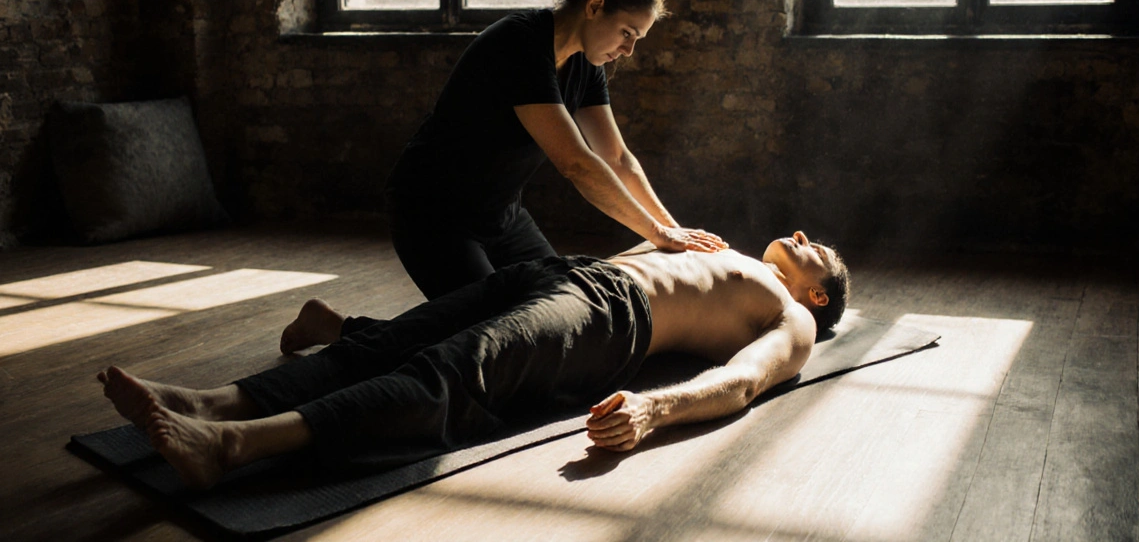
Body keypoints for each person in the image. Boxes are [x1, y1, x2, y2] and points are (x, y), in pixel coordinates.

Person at [97, 232, 850, 489]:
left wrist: (656, 409)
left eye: (820, 253)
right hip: (564, 271)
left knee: (443, 375)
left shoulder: (791, 319)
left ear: (818, 297)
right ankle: (213, 403)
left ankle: (232, 446)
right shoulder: (732, 253)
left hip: (611, 318)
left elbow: (742, 382)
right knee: (386, 343)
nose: (804, 236)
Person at [386, 0, 725, 300]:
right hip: (433, 211)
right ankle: (339, 330)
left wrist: (675, 232)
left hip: (501, 214)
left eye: (637, 39)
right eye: (627, 33)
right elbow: (577, 164)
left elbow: (616, 157)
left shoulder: (586, 61)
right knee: (489, 330)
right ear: (595, 6)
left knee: (559, 308)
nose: (628, 50)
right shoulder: (521, 44)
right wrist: (657, 235)